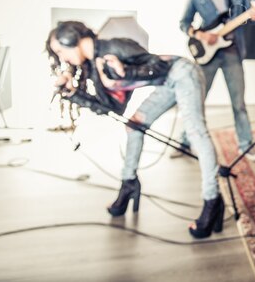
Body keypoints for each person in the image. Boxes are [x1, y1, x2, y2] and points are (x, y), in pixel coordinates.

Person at [46, 21, 224, 239]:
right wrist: (73, 93)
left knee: (196, 132)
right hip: (167, 83)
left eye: (61, 50)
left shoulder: (116, 46)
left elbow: (160, 65)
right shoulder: (93, 66)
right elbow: (111, 108)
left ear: (72, 39)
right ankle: (129, 184)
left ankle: (212, 199)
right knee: (134, 125)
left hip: (182, 72)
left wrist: (126, 71)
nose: (62, 57)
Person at [179, 0, 255, 162]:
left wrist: (253, 18)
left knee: (238, 103)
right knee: (196, 99)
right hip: (208, 53)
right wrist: (200, 35)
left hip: (232, 50)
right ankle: (184, 140)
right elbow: (184, 22)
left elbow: (246, 18)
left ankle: (245, 146)